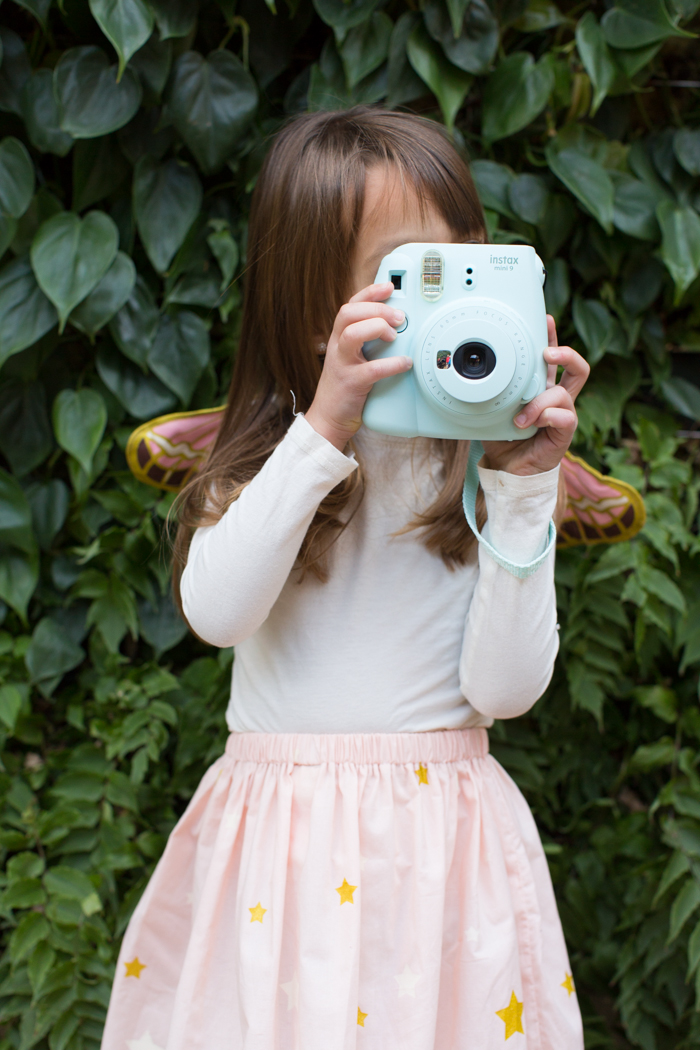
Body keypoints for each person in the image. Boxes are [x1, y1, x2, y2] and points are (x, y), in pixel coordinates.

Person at [101, 107, 589, 1050]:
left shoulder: (486, 461)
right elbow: (216, 612)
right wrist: (322, 431)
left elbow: (503, 691)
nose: (449, 298)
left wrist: (524, 491)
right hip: (280, 857)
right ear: (313, 294)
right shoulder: (269, 458)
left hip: (446, 853)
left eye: (468, 259)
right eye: (412, 272)